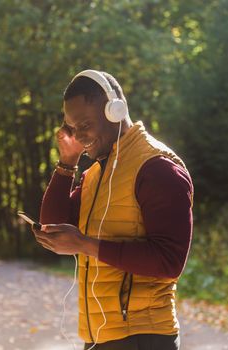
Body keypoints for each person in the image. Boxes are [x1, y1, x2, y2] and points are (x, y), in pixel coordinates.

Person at [33, 70, 193, 350]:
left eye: (84, 124)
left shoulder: (157, 168)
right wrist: (68, 161)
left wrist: (84, 244)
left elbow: (169, 261)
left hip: (144, 337)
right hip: (99, 336)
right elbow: (54, 224)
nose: (79, 136)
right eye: (72, 127)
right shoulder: (95, 174)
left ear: (114, 110)